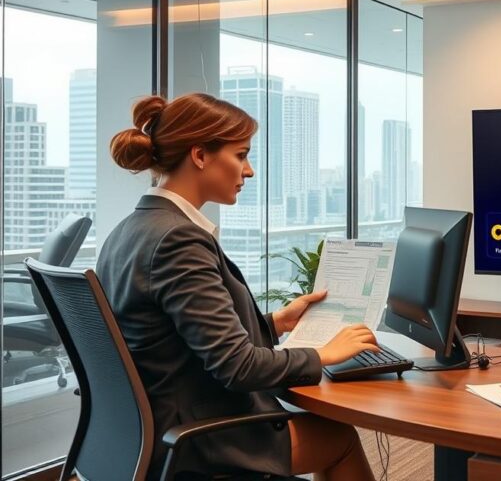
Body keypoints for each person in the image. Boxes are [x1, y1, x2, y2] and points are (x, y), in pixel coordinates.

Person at [99, 93, 376, 481]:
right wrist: (325, 354)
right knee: (339, 437)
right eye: (241, 155)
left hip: (150, 434)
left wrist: (276, 322)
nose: (249, 171)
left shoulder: (130, 229)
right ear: (200, 156)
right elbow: (237, 367)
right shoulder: (179, 240)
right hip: (199, 442)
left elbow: (179, 336)